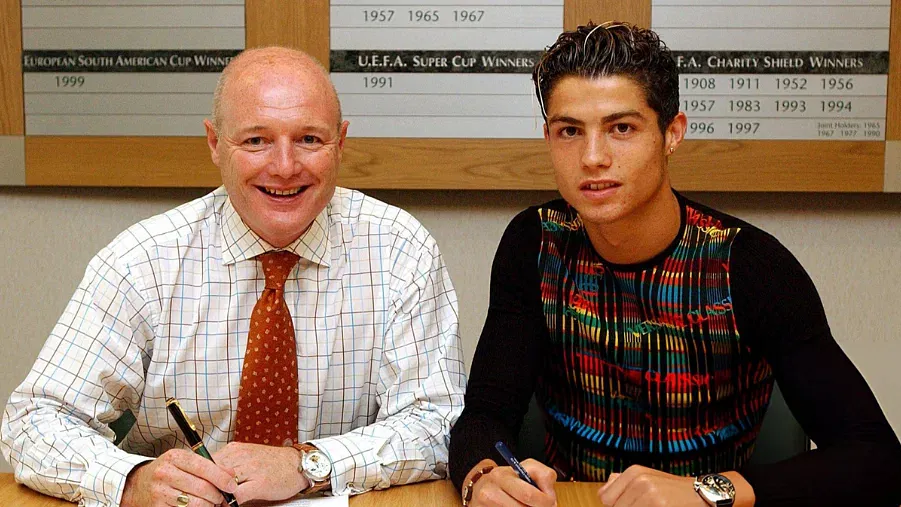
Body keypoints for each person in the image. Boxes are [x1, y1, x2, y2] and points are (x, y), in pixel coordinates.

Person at [449, 22, 901, 507]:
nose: (593, 157)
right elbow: (484, 414)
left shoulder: (749, 265)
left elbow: (876, 459)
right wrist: (483, 475)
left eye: (622, 128)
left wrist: (708, 490)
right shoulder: (535, 243)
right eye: (570, 132)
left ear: (672, 133)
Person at [1, 47, 466, 507]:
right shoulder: (143, 261)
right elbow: (34, 419)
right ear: (214, 143)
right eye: (256, 141)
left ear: (340, 144)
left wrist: (309, 464)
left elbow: (436, 422)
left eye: (308, 139)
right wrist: (132, 479)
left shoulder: (401, 251)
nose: (284, 167)